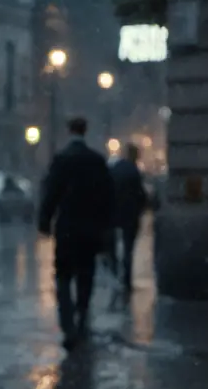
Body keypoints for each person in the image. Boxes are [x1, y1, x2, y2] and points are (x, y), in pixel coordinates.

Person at [37, 117, 114, 350]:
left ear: (69, 131)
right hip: (89, 228)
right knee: (86, 273)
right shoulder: (97, 161)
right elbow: (107, 197)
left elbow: (50, 193)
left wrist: (45, 221)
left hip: (67, 227)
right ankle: (82, 315)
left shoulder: (61, 160)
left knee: (62, 275)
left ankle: (67, 323)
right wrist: (105, 226)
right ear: (85, 131)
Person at [109, 143, 149, 292]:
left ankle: (114, 272)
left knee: (112, 246)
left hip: (114, 212)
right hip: (130, 214)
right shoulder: (134, 171)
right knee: (128, 248)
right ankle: (126, 278)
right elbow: (140, 194)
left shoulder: (116, 168)